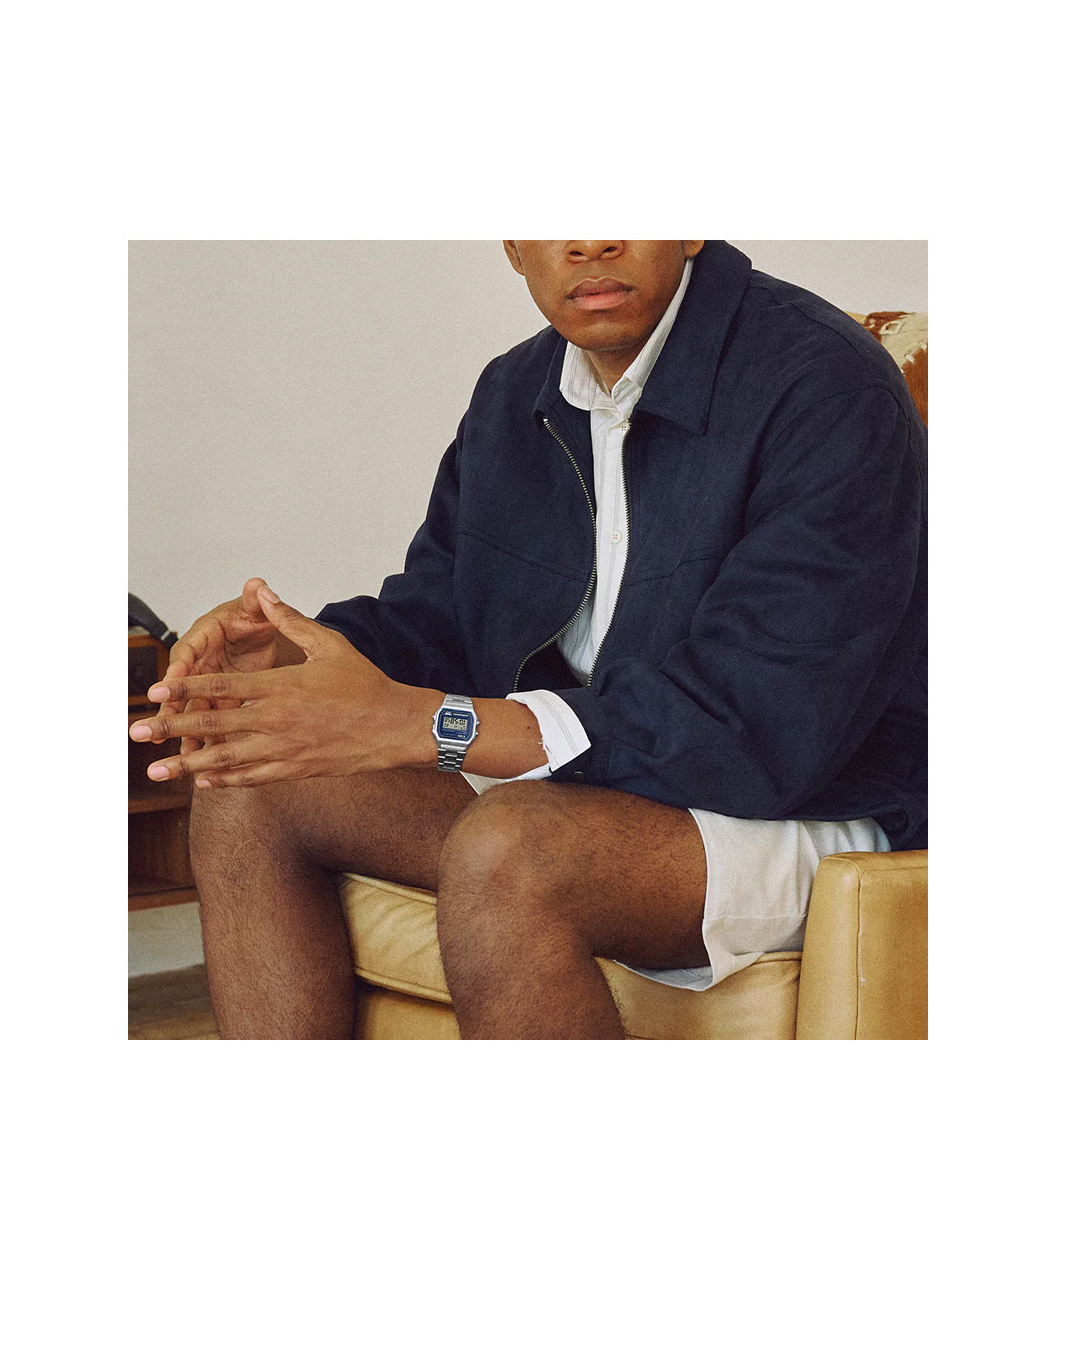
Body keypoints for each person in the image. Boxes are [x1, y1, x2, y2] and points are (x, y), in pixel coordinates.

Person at [129, 240, 927, 1040]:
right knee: (247, 779)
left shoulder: (824, 385)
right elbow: (442, 616)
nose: (589, 240)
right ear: (514, 246)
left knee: (511, 851)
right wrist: (291, 660)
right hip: (601, 782)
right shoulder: (518, 391)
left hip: (812, 804)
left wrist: (434, 726)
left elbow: (761, 720)